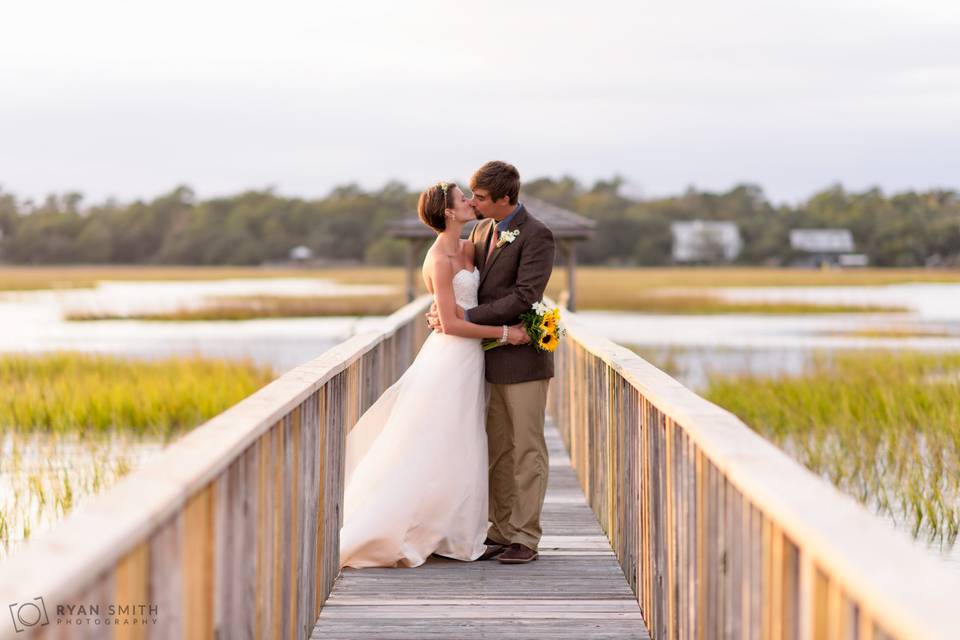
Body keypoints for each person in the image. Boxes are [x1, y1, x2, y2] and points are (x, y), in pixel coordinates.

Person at [339, 180, 529, 569]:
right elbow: (451, 324)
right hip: (450, 358)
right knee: (436, 438)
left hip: (473, 358)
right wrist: (507, 333)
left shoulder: (471, 246)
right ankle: (411, 526)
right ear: (448, 212)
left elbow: (475, 298)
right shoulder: (438, 259)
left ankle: (457, 531)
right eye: (464, 199)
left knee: (466, 441)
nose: (471, 203)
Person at [427, 161, 556, 564]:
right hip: (485, 357)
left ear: (505, 198)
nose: (474, 203)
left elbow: (525, 296)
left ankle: (525, 536)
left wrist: (467, 319)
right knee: (498, 447)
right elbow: (453, 274)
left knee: (526, 448)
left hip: (522, 355)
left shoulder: (538, 235)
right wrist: (441, 309)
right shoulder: (481, 230)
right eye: (471, 197)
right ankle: (499, 530)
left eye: (480, 198)